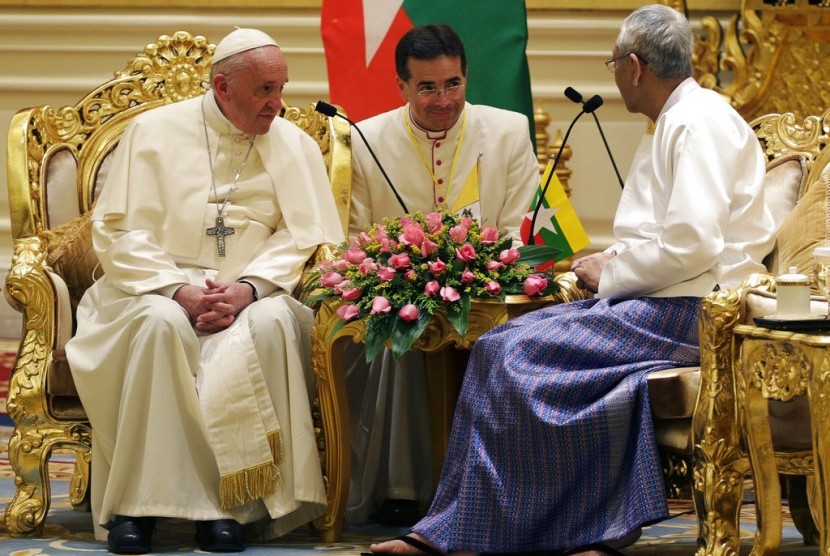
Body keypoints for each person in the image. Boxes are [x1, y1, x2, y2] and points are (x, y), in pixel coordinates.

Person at [370, 5, 775, 556]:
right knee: (500, 346)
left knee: (508, 351)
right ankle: (515, 530)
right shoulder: (682, 117)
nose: (613, 74)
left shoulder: (696, 122)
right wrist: (610, 260)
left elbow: (693, 244)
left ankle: (475, 534)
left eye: (613, 64)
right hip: (668, 300)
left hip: (696, 310)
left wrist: (611, 272)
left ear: (634, 67)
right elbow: (672, 234)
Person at [64, 28, 344, 554]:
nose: (277, 104)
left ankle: (235, 507)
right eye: (265, 90)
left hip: (252, 290)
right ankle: (139, 508)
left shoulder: (293, 143)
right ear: (222, 86)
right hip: (151, 287)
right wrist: (176, 290)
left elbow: (307, 235)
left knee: (271, 324)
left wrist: (248, 288)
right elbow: (117, 232)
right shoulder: (153, 132)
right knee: (158, 325)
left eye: (281, 87)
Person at [345, 24, 540, 525]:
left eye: (453, 84)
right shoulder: (366, 139)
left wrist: (488, 270)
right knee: (400, 326)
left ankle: (491, 482)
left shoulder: (508, 130)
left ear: (466, 77)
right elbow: (356, 237)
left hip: (491, 291)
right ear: (402, 86)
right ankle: (402, 486)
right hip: (401, 293)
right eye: (427, 87)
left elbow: (524, 226)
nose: (443, 99)